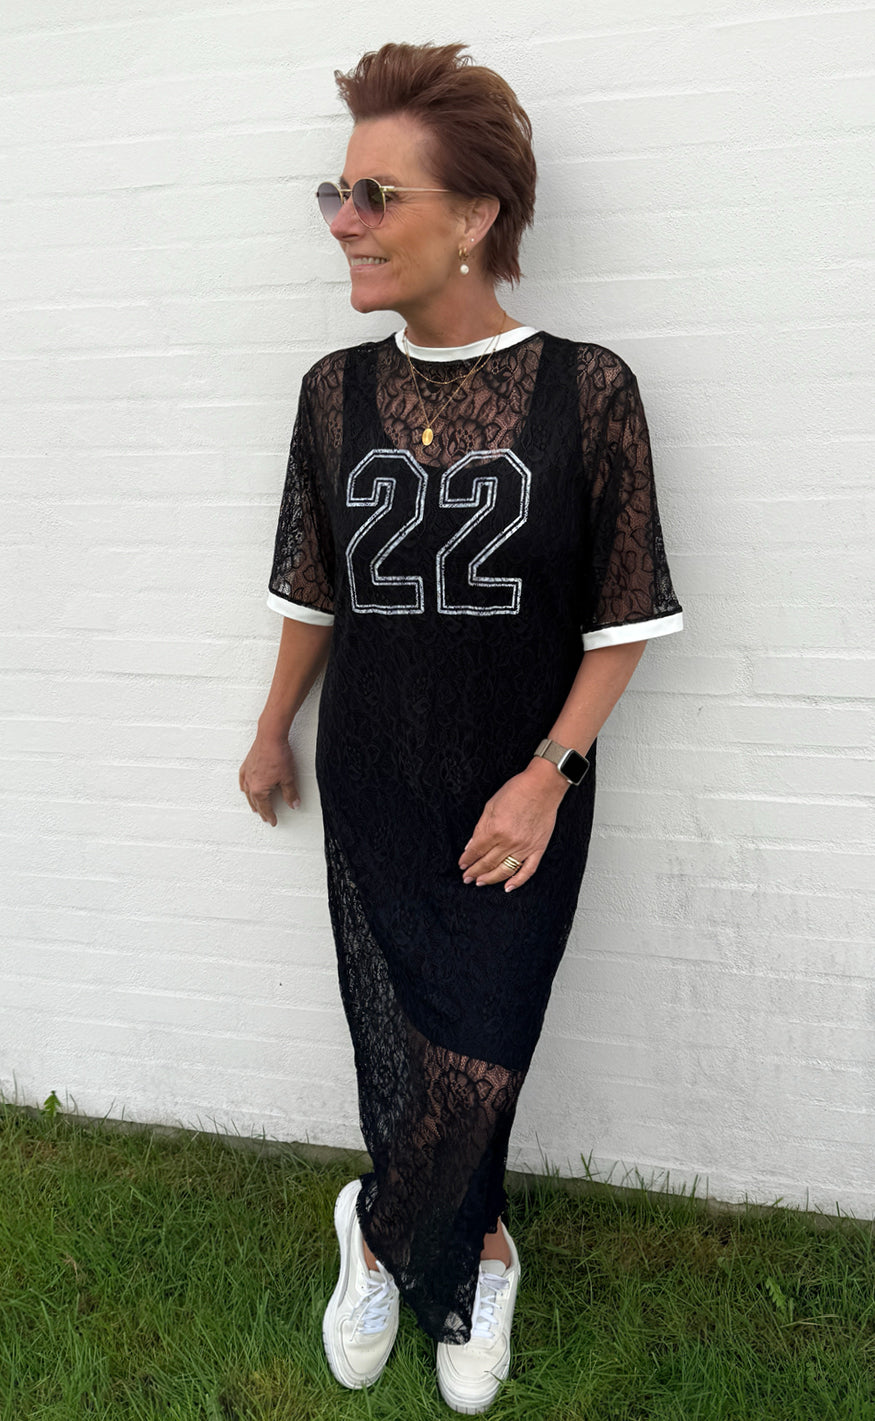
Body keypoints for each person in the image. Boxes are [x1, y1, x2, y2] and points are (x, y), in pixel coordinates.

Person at [239, 40, 684, 1414]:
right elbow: (314, 589)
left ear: (477, 214)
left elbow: (624, 616)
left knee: (484, 1040)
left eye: (377, 195)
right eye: (339, 192)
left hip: (520, 783)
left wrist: (549, 774)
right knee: (400, 1038)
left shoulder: (588, 390)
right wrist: (271, 726)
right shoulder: (331, 393)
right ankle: (473, 1246)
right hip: (374, 769)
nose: (345, 221)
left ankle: (383, 1231)